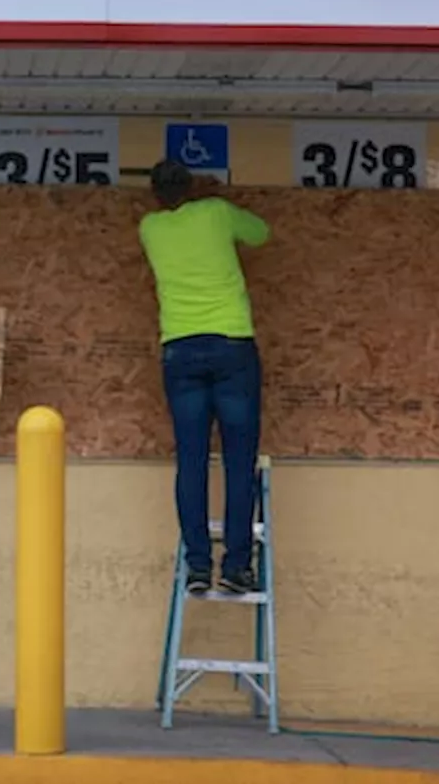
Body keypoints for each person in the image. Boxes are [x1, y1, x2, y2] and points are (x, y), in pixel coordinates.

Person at [138, 160, 271, 596]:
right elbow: (260, 232)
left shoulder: (150, 228)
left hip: (180, 349)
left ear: (155, 194)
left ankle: (198, 565)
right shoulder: (216, 211)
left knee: (191, 460)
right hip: (232, 346)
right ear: (193, 185)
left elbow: (176, 214)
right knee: (238, 461)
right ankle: (236, 565)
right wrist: (216, 194)